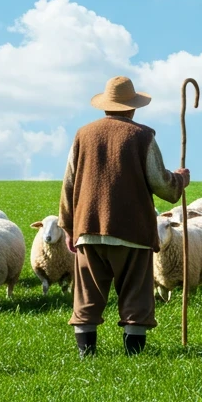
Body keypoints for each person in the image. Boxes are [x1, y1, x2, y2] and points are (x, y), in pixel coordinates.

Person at [59, 75, 190, 356]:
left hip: (88, 228)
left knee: (87, 294)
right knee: (136, 293)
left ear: (105, 106)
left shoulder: (83, 134)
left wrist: (69, 227)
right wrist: (179, 181)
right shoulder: (142, 135)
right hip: (132, 231)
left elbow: (68, 184)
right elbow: (160, 183)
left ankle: (86, 355)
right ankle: (134, 357)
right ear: (132, 108)